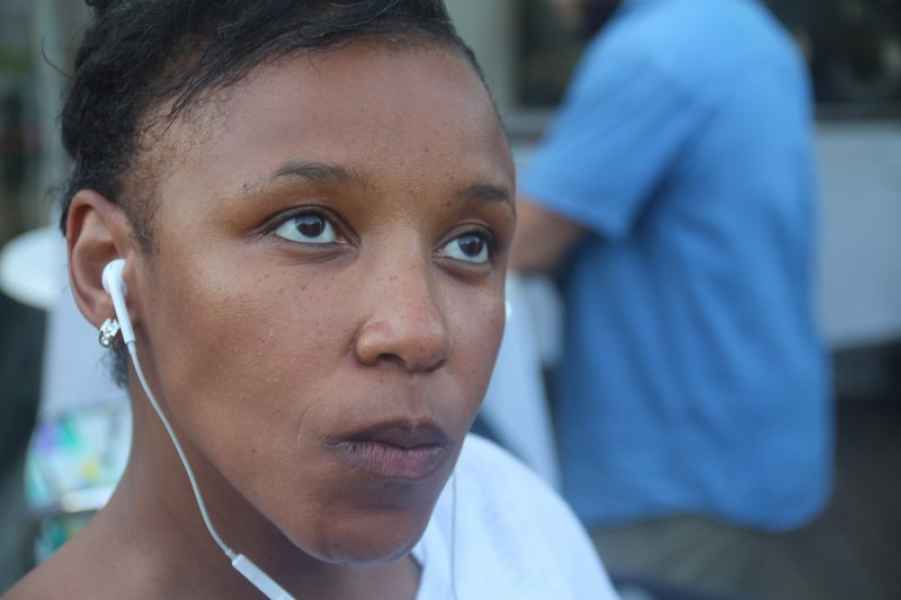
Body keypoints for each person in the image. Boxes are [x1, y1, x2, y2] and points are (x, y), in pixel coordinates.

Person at [6, 1, 618, 598]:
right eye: (309, 227)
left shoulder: (513, 520)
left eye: (470, 243)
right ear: (104, 269)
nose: (419, 333)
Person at [513, 0, 843, 598]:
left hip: (673, 466)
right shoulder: (747, 30)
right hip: (754, 429)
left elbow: (522, 242)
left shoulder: (653, 54)